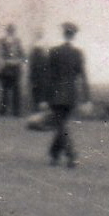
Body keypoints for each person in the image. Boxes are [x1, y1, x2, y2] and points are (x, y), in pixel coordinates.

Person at [45, 20, 89, 168]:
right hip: (71, 95)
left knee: (60, 126)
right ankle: (55, 155)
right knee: (61, 125)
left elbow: (48, 76)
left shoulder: (53, 51)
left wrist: (44, 97)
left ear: (63, 34)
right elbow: (83, 76)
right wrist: (87, 98)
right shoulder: (78, 53)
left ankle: (70, 155)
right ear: (74, 36)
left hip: (56, 94)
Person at [0, 23, 25, 115]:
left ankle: (16, 111)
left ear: (14, 32)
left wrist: (20, 61)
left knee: (16, 90)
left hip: (16, 68)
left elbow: (23, 54)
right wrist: (5, 61)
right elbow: (0, 54)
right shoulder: (2, 41)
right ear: (7, 31)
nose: (11, 32)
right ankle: (3, 110)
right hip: (6, 68)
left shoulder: (18, 41)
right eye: (9, 30)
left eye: (12, 31)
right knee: (5, 90)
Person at [27, 32, 51, 115]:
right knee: (36, 91)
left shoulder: (44, 44)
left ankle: (40, 109)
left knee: (41, 91)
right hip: (36, 73)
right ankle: (37, 109)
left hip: (42, 73)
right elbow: (31, 62)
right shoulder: (34, 45)